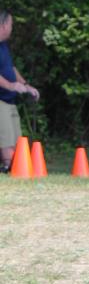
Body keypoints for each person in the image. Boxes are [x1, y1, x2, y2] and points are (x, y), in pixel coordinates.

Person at [0, 10, 39, 171]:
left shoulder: (3, 46)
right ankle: (7, 166)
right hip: (1, 100)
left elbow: (11, 68)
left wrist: (26, 85)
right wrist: (11, 86)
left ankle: (14, 166)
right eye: (11, 24)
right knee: (6, 139)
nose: (12, 28)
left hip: (10, 100)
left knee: (17, 140)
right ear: (3, 25)